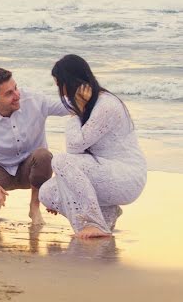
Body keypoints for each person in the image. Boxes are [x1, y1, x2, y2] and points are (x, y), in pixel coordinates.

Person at [39, 55, 146, 239]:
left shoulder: (106, 105)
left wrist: (74, 114)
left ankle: (93, 223)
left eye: (61, 85)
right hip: (104, 172)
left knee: (60, 160)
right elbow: (78, 151)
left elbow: (74, 147)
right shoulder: (89, 105)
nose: (62, 93)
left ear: (72, 81)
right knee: (47, 192)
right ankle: (107, 213)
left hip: (126, 176)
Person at [0, 67, 72, 224]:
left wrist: (91, 93)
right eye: (9, 93)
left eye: (15, 88)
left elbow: (70, 106)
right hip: (2, 170)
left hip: (33, 169)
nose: (17, 95)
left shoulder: (34, 100)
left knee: (43, 156)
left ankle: (34, 208)